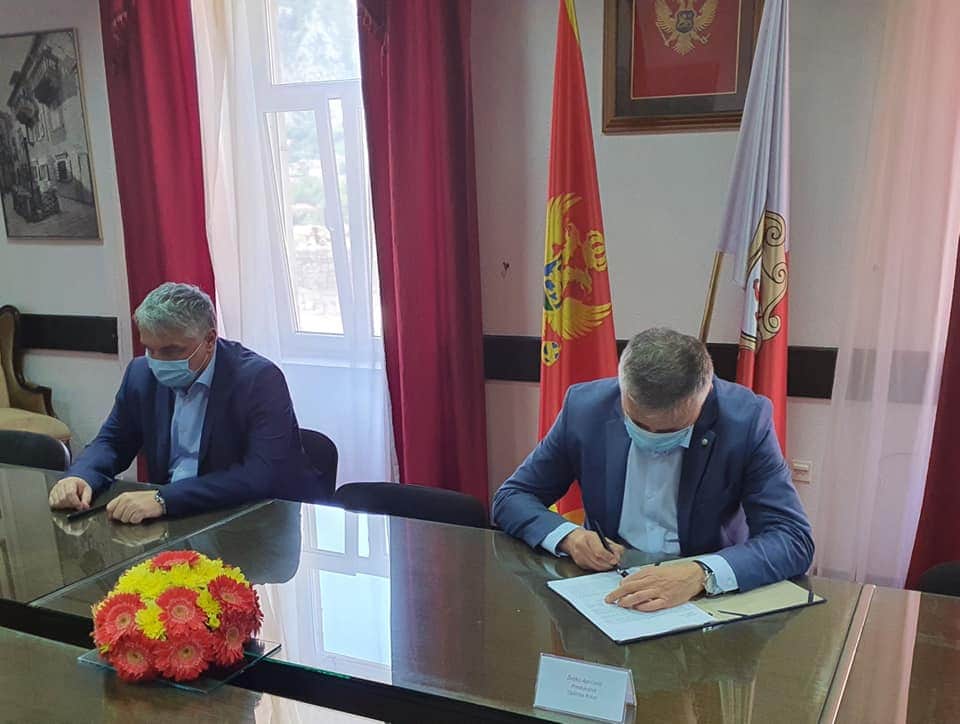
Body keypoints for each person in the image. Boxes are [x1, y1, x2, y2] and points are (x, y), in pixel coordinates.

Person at [492, 327, 814, 612]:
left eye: (672, 430)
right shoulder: (586, 408)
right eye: (639, 424)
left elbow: (793, 538)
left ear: (705, 396)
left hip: (703, 599)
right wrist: (571, 538)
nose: (653, 438)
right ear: (623, 391)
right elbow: (513, 497)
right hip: (609, 587)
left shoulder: (745, 420)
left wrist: (701, 573)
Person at [48, 282, 325, 523]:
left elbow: (260, 475)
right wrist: (81, 476)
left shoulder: (258, 379)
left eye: (172, 351)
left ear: (209, 340)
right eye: (150, 348)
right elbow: (113, 441)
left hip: (254, 519)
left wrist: (165, 499)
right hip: (175, 519)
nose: (158, 362)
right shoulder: (141, 374)